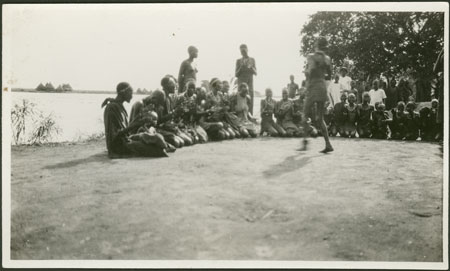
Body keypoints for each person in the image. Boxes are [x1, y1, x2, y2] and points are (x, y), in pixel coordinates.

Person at [102, 82, 169, 158]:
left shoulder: (120, 106)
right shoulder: (111, 108)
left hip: (126, 139)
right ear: (123, 92)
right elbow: (115, 136)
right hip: (119, 146)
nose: (132, 96)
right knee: (159, 151)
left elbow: (127, 129)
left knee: (158, 138)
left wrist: (141, 120)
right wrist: (137, 123)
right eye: (130, 92)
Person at [299, 36, 333, 153]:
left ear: (317, 44)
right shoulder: (327, 58)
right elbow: (329, 75)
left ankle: (305, 142)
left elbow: (310, 72)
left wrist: (307, 85)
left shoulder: (311, 57)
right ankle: (328, 144)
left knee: (304, 115)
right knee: (320, 118)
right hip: (322, 86)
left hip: (313, 86)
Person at [235, 44, 257, 114]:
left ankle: (250, 116)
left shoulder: (252, 60)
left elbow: (256, 73)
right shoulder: (238, 61)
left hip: (249, 84)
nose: (243, 52)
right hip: (241, 85)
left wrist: (250, 67)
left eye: (244, 51)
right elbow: (236, 74)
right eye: (241, 51)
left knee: (250, 100)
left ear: (247, 50)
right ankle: (241, 117)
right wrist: (241, 68)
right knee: (240, 101)